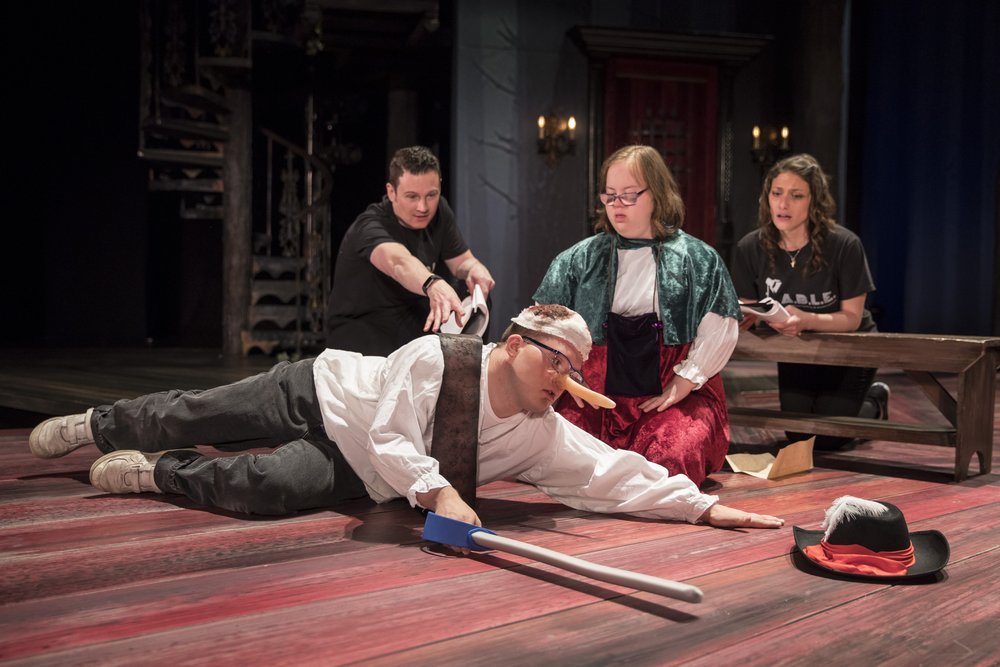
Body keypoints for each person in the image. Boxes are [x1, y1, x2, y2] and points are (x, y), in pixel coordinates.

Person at [28, 305, 783, 538]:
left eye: (576, 372)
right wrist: (440, 492)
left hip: (362, 469)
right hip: (326, 392)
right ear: (515, 344)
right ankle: (101, 423)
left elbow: (612, 476)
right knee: (202, 411)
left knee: (256, 487)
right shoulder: (438, 357)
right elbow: (393, 434)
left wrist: (705, 505)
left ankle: (156, 473)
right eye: (556, 362)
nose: (566, 382)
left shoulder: (540, 429)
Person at [533, 145, 741, 487]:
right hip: (595, 399)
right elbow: (541, 326)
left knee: (671, 458)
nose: (616, 205)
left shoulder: (696, 259)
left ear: (657, 194)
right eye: (609, 195)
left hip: (669, 398)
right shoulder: (579, 259)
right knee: (559, 456)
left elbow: (722, 326)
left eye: (629, 195)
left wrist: (685, 382)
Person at [730, 153, 889, 450]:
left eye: (796, 195)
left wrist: (806, 319)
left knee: (829, 436)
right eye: (776, 193)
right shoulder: (750, 246)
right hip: (797, 346)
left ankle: (876, 405)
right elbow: (749, 306)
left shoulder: (844, 245)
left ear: (814, 202)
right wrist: (749, 317)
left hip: (849, 346)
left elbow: (852, 318)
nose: (783, 203)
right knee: (798, 434)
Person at [326, 145, 496, 356]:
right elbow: (399, 262)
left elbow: (462, 261)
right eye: (412, 196)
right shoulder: (370, 225)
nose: (423, 207)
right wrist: (433, 283)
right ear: (391, 192)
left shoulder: (440, 212)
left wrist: (475, 269)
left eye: (431, 195)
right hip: (365, 328)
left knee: (474, 293)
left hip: (411, 325)